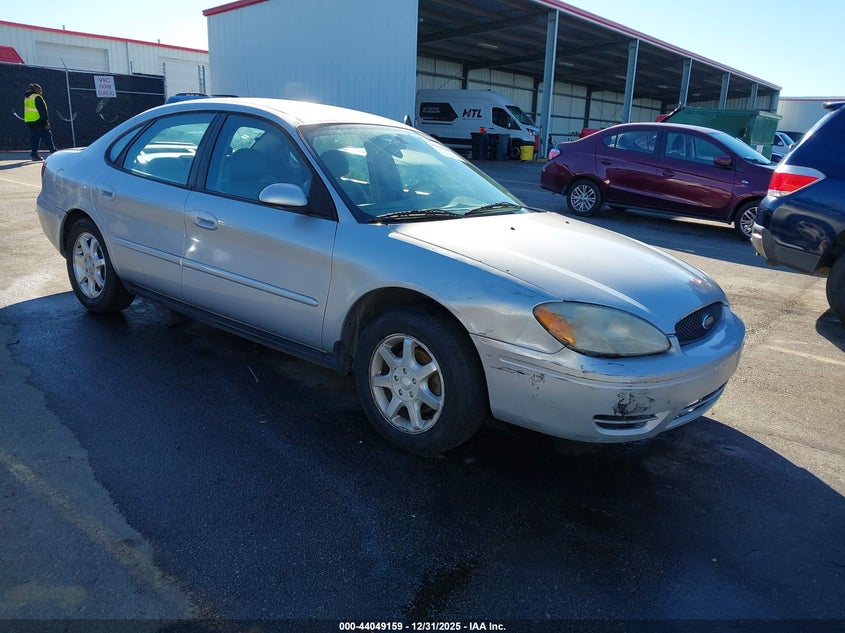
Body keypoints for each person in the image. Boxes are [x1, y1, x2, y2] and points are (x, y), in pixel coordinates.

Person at [23, 83, 58, 161]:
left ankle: (34, 154)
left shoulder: (27, 98)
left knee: (35, 138)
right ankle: (53, 152)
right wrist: (46, 122)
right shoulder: (37, 97)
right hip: (38, 120)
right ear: (36, 90)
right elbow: (43, 111)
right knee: (47, 136)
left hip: (30, 121)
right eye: (40, 89)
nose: (41, 91)